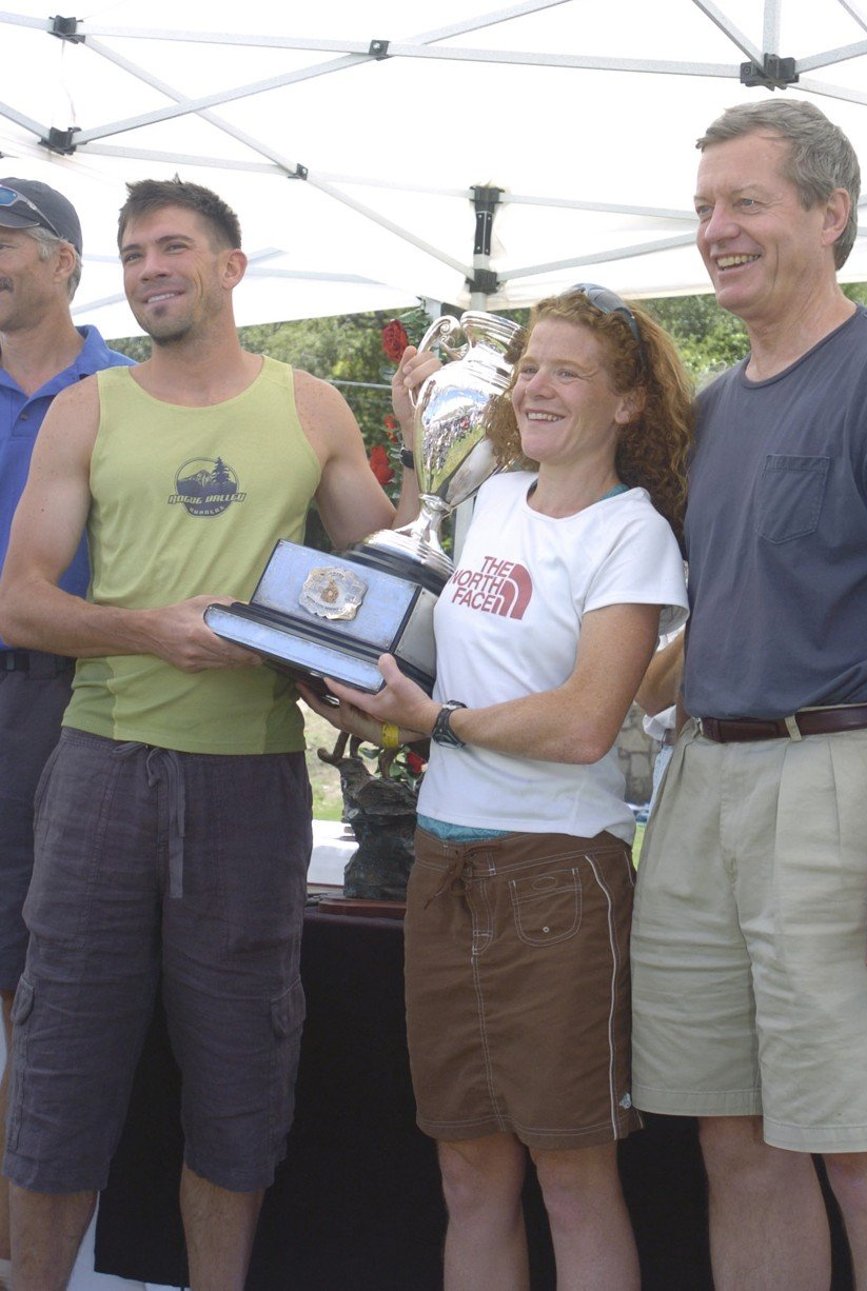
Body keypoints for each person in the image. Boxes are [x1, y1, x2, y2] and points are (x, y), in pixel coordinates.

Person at [0, 177, 420, 1290]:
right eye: (133, 253)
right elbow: (20, 600)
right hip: (97, 769)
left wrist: (435, 466)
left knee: (239, 1077)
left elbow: (385, 582)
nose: (150, 270)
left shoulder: (312, 406)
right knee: (59, 1070)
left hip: (252, 782)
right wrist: (151, 630)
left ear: (232, 267)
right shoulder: (87, 409)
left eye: (173, 247)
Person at [630, 99, 867, 1290]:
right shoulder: (719, 405)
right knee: (735, 1147)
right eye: (702, 208)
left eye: (745, 201)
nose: (716, 229)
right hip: (702, 794)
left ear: (829, 214)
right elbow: (724, 615)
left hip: (850, 792)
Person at [302, 285, 692, 1290]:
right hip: (446, 861)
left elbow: (583, 721)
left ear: (628, 403)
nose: (537, 387)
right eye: (528, 367)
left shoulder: (630, 533)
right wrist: (374, 697)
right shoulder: (481, 500)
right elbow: (428, 640)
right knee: (468, 1168)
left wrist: (433, 723)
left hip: (560, 877)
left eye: (568, 370)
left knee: (570, 1173)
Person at [0, 178, 133, 1288]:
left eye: (3, 242)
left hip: (74, 696)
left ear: (63, 262)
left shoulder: (130, 392)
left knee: (39, 985)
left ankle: (34, 1252)